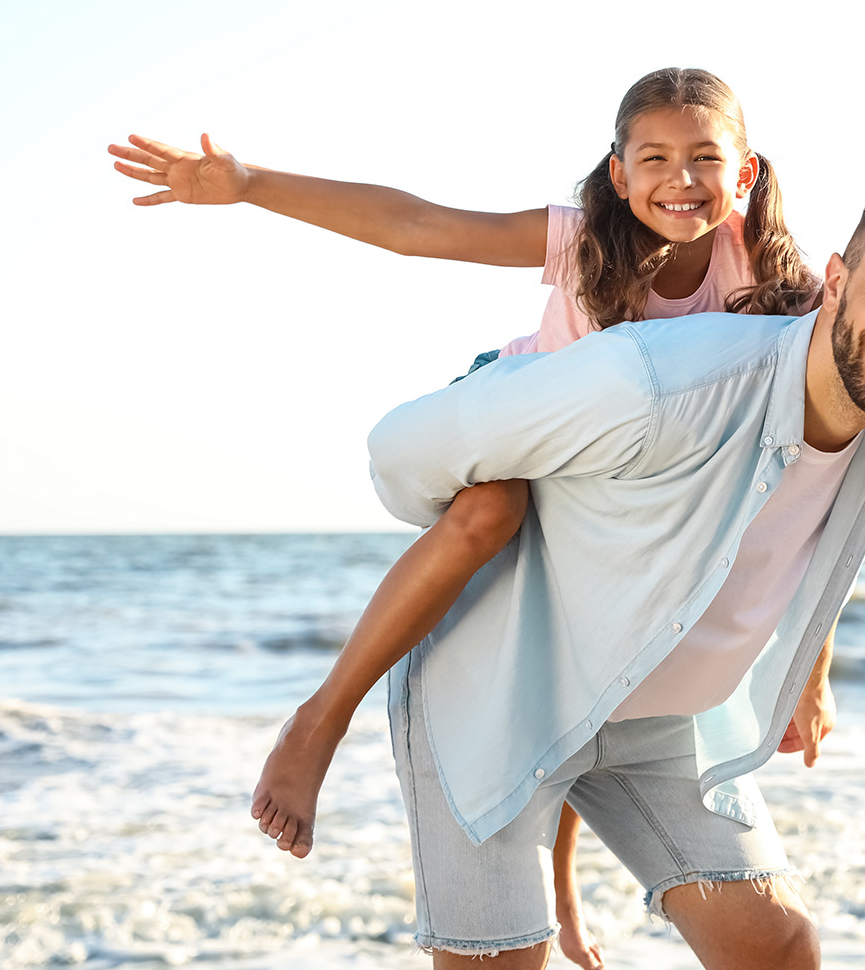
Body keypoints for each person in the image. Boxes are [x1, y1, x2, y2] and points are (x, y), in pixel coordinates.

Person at [108, 67, 817, 966]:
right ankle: (317, 720)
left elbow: (812, 476)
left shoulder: (769, 272)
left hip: (614, 488)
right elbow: (419, 227)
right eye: (656, 159)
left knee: (605, 630)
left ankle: (560, 886)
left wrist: (807, 661)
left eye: (705, 158)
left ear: (745, 172)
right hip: (517, 424)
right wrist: (248, 184)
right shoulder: (581, 237)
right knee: (490, 514)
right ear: (618, 172)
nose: (682, 179)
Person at [360, 172, 865, 966]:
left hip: (662, 716)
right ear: (834, 280)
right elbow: (402, 452)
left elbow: (808, 548)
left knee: (778, 948)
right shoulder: (654, 382)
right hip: (499, 688)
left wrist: (813, 668)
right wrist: (491, 511)